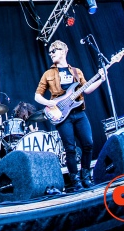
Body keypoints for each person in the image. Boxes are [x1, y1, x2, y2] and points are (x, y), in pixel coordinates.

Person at [34, 39, 105, 190]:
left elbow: (86, 89)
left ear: (64, 51)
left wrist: (101, 79)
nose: (51, 53)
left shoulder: (76, 71)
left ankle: (86, 177)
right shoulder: (48, 74)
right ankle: (75, 181)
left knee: (88, 143)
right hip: (61, 115)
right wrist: (49, 102)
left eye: (54, 50)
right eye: (50, 52)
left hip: (79, 113)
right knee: (70, 149)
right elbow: (37, 96)